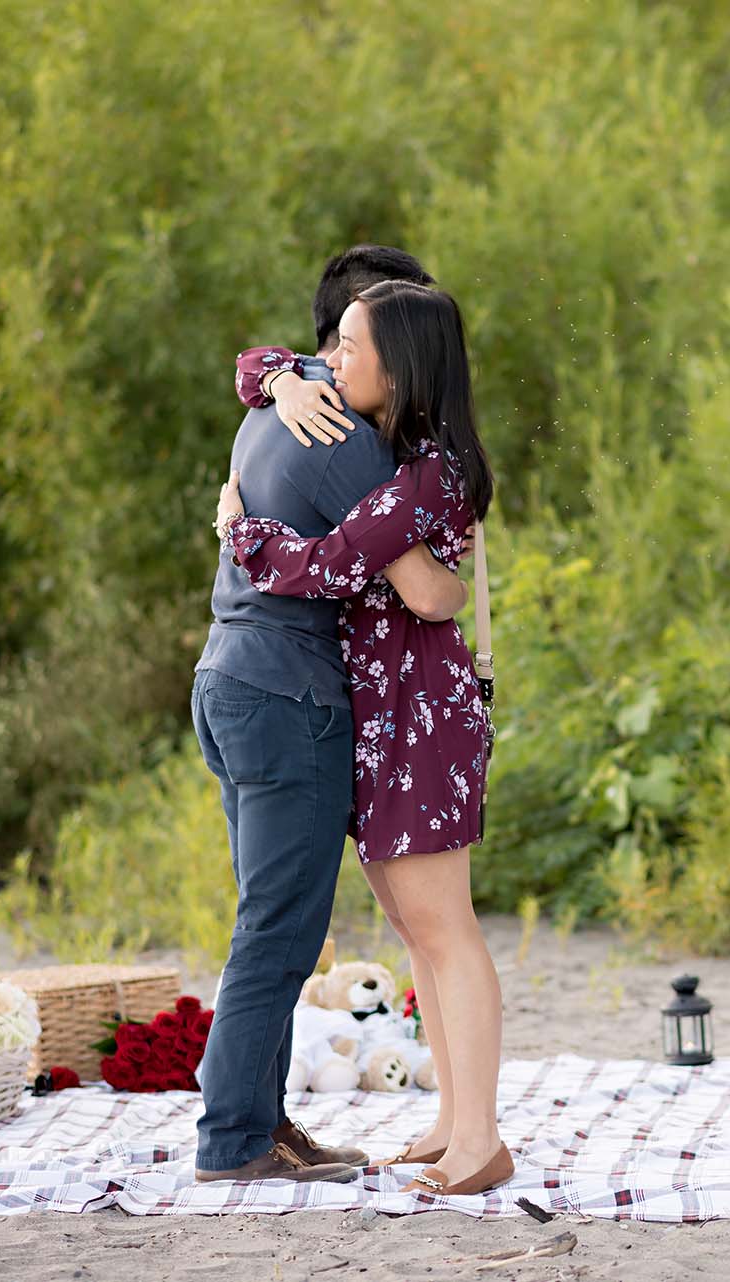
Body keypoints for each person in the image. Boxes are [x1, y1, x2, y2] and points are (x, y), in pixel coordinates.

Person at [213, 277, 511, 1198]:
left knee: (446, 931)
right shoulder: (390, 443)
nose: (330, 363)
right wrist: (278, 379)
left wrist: (241, 531)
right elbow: (267, 364)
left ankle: (481, 1143)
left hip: (418, 713)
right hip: (381, 713)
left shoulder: (421, 471)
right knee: (417, 930)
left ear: (404, 365)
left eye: (348, 348)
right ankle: (449, 1124)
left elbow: (338, 567)